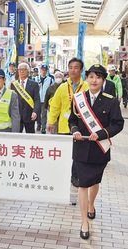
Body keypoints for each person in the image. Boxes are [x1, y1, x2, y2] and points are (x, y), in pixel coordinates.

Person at [69, 64, 124, 240]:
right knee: (83, 184)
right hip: (81, 148)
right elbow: (72, 119)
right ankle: (84, 221)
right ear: (87, 78)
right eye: (91, 76)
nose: (94, 80)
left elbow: (118, 124)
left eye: (98, 77)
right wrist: (74, 129)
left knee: (94, 182)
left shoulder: (111, 101)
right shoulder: (78, 98)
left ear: (103, 80)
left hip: (99, 149)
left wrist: (100, 134)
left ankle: (91, 204)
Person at [47, 57, 89, 187]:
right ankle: (62, 175)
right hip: (65, 126)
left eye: (76, 68)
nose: (73, 70)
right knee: (64, 153)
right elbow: (55, 106)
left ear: (81, 70)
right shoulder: (62, 87)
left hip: (81, 127)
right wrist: (51, 121)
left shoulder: (87, 86)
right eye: (70, 68)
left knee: (78, 154)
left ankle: (75, 176)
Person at [10, 62, 40, 133]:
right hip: (17, 116)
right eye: (20, 69)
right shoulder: (13, 84)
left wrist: (35, 112)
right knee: (16, 138)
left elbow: (37, 99)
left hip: (29, 115)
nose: (22, 71)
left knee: (30, 138)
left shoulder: (34, 84)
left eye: (24, 69)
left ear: (28, 72)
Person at [35, 64, 53, 133]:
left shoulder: (50, 79)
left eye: (45, 70)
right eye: (42, 70)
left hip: (45, 100)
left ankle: (43, 127)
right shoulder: (36, 79)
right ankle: (39, 125)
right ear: (40, 70)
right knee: (38, 114)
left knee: (44, 114)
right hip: (37, 99)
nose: (44, 71)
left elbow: (51, 90)